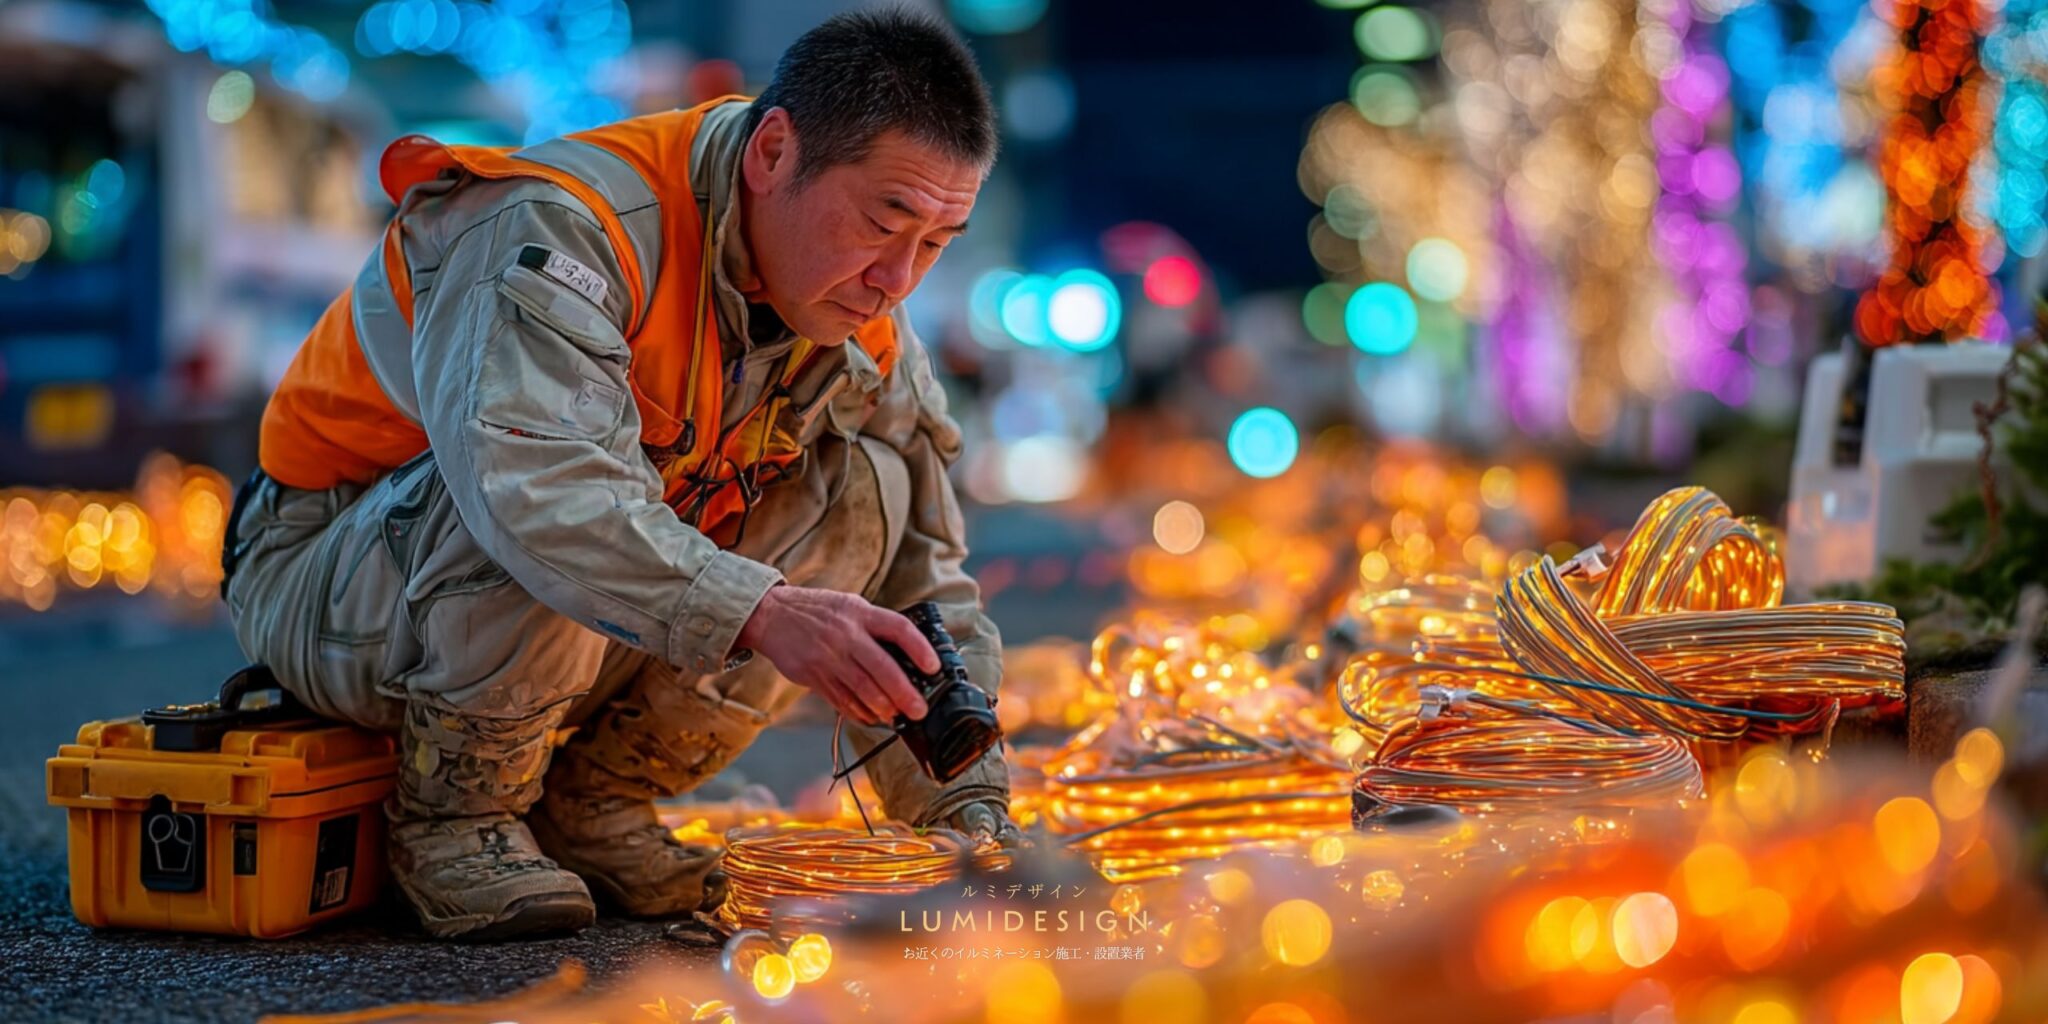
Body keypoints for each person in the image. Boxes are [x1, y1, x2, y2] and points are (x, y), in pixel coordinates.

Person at [221, 8, 1021, 941]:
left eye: (935, 244)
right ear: (772, 152)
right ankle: (458, 819)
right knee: (553, 491)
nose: (899, 278)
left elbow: (925, 576)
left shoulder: (853, 313)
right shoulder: (564, 227)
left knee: (868, 485)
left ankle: (592, 810)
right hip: (334, 573)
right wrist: (763, 610)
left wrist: (967, 800)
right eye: (884, 224)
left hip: (531, 597)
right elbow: (538, 492)